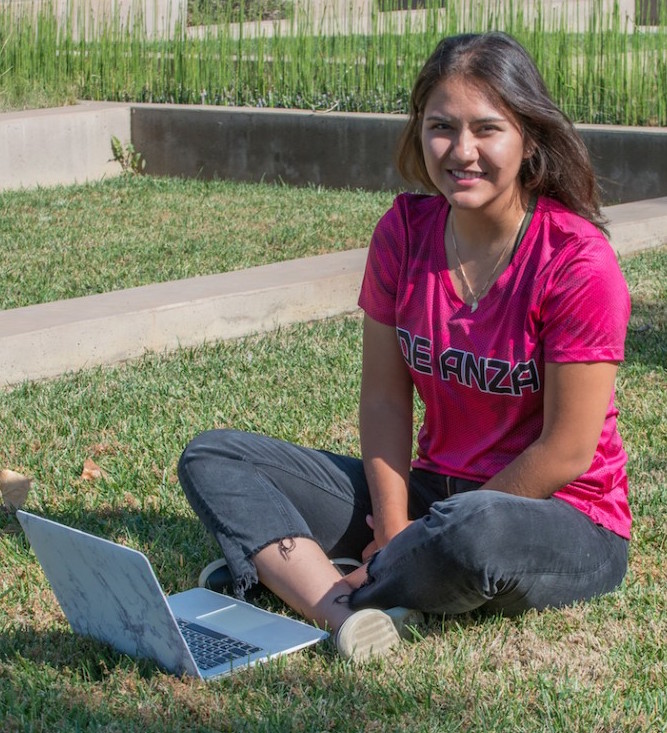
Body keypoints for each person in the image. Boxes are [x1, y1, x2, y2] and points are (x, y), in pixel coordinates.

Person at [178, 31, 631, 661]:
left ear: (528, 137)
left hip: (558, 518)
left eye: (487, 129)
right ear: (419, 129)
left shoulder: (577, 261)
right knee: (216, 457)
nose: (462, 151)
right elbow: (386, 401)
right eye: (442, 126)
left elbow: (565, 451)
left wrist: (415, 540)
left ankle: (310, 579)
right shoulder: (404, 232)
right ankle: (343, 609)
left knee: (473, 533)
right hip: (430, 494)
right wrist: (394, 528)